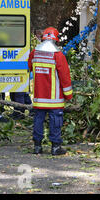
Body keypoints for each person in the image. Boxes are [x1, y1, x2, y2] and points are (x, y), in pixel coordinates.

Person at [28, 27, 73, 156]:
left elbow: (29, 67)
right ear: (56, 40)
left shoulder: (34, 53)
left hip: (39, 96)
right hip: (54, 98)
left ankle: (37, 147)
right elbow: (65, 77)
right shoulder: (58, 56)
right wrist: (68, 95)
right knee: (55, 121)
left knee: (38, 120)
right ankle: (55, 147)